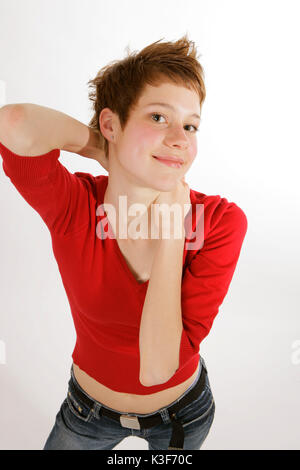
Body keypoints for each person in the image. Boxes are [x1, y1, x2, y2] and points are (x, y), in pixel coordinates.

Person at [0, 35, 248, 450]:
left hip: (182, 415)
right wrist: (98, 144)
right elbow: (14, 124)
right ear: (112, 123)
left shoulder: (221, 223)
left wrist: (172, 229)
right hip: (86, 414)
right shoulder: (75, 206)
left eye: (190, 125)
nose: (180, 139)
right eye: (157, 117)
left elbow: (156, 368)